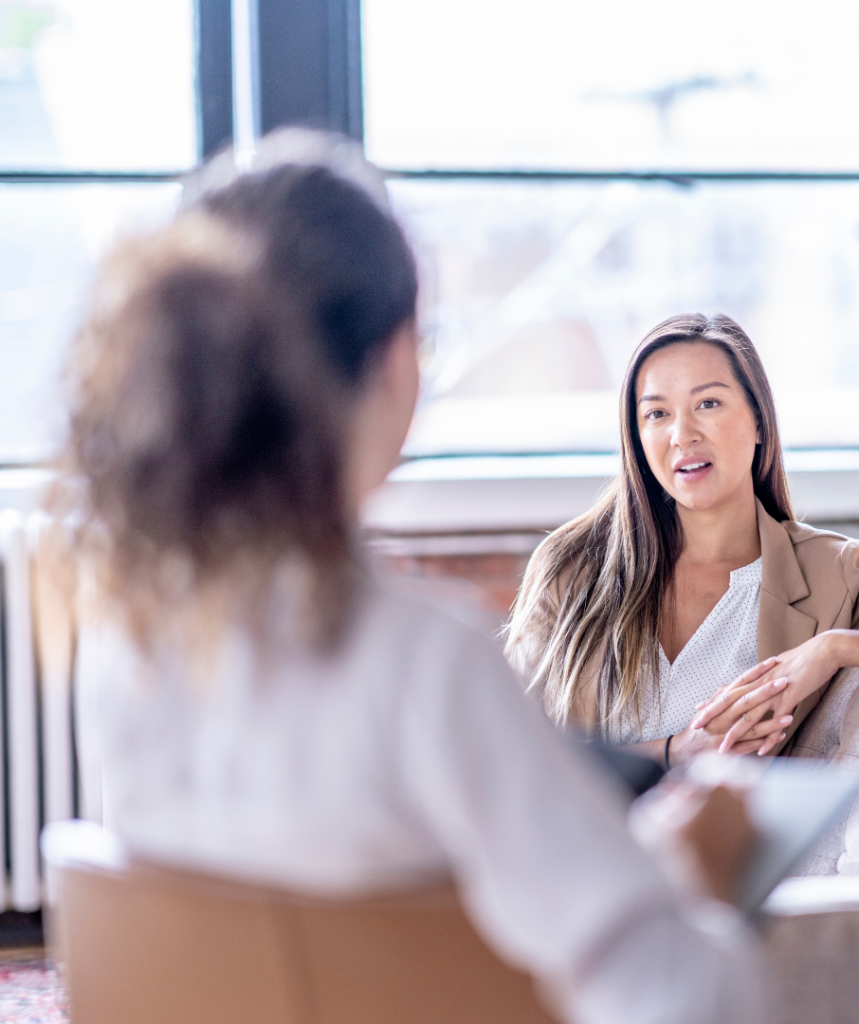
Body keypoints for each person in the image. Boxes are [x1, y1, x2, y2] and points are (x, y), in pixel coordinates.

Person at [59, 131, 763, 1024]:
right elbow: (682, 1000)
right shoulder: (427, 662)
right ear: (396, 361)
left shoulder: (126, 643)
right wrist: (692, 880)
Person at [506, 314, 859, 767]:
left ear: (759, 422)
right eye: (657, 413)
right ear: (638, 440)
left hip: (736, 871)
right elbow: (505, 750)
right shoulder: (571, 567)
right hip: (586, 861)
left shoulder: (827, 573)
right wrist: (674, 753)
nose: (682, 434)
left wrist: (834, 647)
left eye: (708, 403)